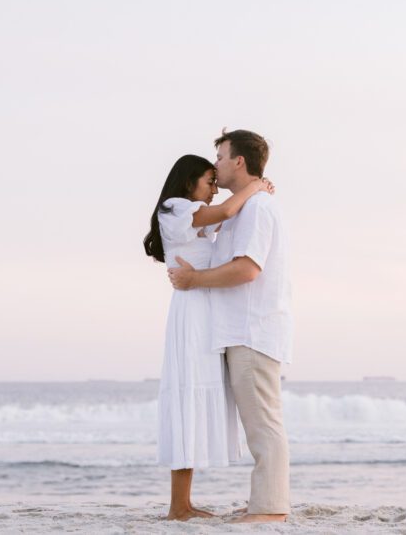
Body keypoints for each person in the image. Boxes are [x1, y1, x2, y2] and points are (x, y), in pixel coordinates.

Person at [169, 129, 292, 524]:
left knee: (263, 424)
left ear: (239, 161)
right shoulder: (245, 207)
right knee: (258, 423)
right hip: (239, 331)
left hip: (252, 330)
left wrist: (193, 280)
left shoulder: (256, 209)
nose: (216, 165)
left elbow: (247, 269)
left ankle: (269, 508)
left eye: (220, 157)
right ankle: (263, 502)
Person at [142, 154, 273, 521]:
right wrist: (256, 185)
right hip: (192, 312)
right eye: (209, 181)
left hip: (205, 310)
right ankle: (179, 506)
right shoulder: (175, 207)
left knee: (196, 402)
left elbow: (230, 220)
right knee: (187, 398)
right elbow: (228, 211)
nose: (215, 189)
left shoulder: (194, 215)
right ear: (189, 182)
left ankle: (183, 504)